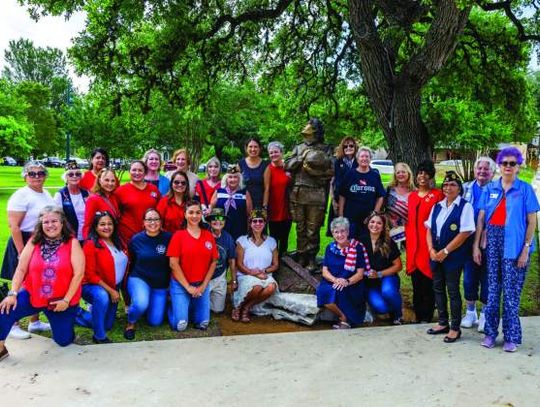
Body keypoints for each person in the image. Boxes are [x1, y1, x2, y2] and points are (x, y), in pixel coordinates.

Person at [474, 147, 539, 352]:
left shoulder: (525, 189)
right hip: (492, 242)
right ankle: (491, 333)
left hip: (516, 245)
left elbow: (531, 222)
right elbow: (481, 219)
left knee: (511, 294)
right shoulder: (490, 188)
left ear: (518, 166)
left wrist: (526, 249)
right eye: (504, 163)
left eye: (512, 163)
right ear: (499, 166)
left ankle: (511, 337)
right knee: (493, 292)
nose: (508, 166)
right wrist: (476, 245)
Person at [0, 206, 84, 360]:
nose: (50, 225)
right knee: (6, 309)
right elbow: (21, 269)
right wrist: (12, 293)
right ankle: (0, 349)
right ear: (40, 224)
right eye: (46, 222)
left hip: (60, 301)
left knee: (63, 341)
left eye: (54, 221)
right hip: (34, 296)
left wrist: (66, 300)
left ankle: (72, 316)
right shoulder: (33, 241)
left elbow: (78, 275)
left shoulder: (72, 243)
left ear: (62, 223)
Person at [1, 161, 55, 339]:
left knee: (37, 280)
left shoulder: (46, 193)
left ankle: (34, 322)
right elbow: (14, 226)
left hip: (40, 240)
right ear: (25, 176)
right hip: (23, 240)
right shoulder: (21, 195)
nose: (37, 177)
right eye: (32, 174)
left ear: (45, 175)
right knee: (21, 280)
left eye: (40, 173)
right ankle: (13, 323)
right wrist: (21, 251)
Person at [425, 171, 475, 343]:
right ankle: (442, 322)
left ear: (459, 188)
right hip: (436, 254)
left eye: (453, 185)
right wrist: (431, 249)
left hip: (453, 256)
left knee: (452, 291)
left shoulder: (465, 206)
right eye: (445, 185)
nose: (448, 188)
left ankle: (455, 328)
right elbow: (429, 230)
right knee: (438, 288)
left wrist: (445, 252)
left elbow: (465, 232)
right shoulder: (437, 206)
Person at [285, 118, 334, 271]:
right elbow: (288, 165)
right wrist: (301, 158)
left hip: (316, 193)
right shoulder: (299, 148)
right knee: (300, 227)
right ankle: (301, 255)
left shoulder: (326, 148)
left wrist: (314, 172)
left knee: (313, 228)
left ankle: (311, 257)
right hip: (299, 192)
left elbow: (331, 170)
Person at [77, 211, 128, 343]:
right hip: (92, 285)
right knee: (102, 296)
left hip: (112, 286)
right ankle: (99, 336)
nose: (106, 227)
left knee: (107, 324)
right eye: (102, 224)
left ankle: (78, 313)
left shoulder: (117, 241)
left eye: (109, 224)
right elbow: (90, 274)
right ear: (95, 227)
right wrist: (111, 291)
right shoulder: (91, 244)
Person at [167, 201, 218, 331]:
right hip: (181, 284)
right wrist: (188, 287)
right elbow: (173, 264)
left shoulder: (208, 235)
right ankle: (172, 307)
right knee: (181, 325)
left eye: (198, 212)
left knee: (203, 323)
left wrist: (203, 286)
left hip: (201, 284)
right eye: (191, 212)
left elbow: (213, 261)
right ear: (185, 214)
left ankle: (187, 306)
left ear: (201, 214)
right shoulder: (178, 236)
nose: (194, 215)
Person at [459, 157, 496, 332]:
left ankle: (485, 315)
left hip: (490, 242)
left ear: (493, 172)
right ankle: (470, 312)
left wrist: (486, 235)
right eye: (479, 168)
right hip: (467, 241)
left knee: (487, 278)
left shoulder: (498, 189)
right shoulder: (465, 188)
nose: (482, 171)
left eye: (486, 169)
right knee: (468, 279)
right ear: (474, 170)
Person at [124, 209, 172, 340]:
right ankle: (131, 322)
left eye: (156, 219)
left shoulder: (168, 238)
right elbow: (131, 262)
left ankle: (148, 305)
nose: (153, 222)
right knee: (141, 303)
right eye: (149, 219)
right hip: (140, 278)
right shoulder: (136, 240)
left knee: (154, 322)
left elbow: (173, 264)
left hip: (160, 284)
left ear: (161, 222)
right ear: (143, 222)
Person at [405, 160, 443, 323]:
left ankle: (427, 316)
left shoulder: (437, 195)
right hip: (413, 244)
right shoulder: (412, 196)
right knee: (416, 283)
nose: (422, 176)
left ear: (431, 177)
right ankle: (418, 314)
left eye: (426, 174)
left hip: (429, 244)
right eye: (420, 173)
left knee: (428, 282)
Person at [316, 217, 366, 329]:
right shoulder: (330, 248)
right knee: (325, 292)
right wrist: (336, 280)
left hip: (351, 282)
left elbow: (360, 273)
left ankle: (350, 320)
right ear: (333, 234)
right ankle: (343, 317)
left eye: (343, 231)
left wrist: (346, 282)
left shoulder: (356, 248)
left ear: (348, 232)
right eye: (336, 232)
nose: (340, 235)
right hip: (332, 281)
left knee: (340, 291)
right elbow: (325, 271)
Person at [232, 209, 279, 323]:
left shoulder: (271, 241)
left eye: (261, 221)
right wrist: (252, 273)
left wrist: (264, 271)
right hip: (246, 274)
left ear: (264, 223)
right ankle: (238, 307)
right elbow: (239, 264)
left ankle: (247, 307)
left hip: (264, 274)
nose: (258, 224)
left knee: (271, 287)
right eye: (255, 221)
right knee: (256, 287)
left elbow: (275, 265)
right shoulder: (242, 241)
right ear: (250, 223)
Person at [361, 212, 403, 325]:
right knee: (381, 308)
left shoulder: (388, 242)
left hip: (387, 277)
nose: (375, 225)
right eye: (372, 222)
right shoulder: (360, 242)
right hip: (370, 283)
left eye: (379, 223)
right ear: (368, 224)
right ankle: (393, 303)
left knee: (388, 292)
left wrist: (379, 274)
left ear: (383, 226)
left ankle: (398, 314)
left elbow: (399, 266)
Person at [338, 147, 386, 238]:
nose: (364, 159)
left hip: (368, 219)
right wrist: (341, 215)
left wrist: (375, 213)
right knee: (350, 244)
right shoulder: (350, 174)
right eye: (362, 156)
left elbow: (380, 196)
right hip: (351, 217)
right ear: (357, 158)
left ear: (370, 159)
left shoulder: (375, 175)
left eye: (367, 157)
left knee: (366, 244)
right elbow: (342, 195)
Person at [115, 160, 160, 243]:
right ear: (129, 172)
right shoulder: (120, 191)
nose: (137, 173)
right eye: (134, 170)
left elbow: (159, 210)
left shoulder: (153, 189)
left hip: (151, 234)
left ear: (145, 173)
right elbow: (115, 213)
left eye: (140, 170)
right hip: (128, 237)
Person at [262, 141, 292, 257]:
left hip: (287, 208)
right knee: (274, 238)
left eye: (276, 152)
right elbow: (266, 189)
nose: (273, 154)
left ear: (281, 153)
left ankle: (284, 262)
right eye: (271, 153)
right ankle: (274, 264)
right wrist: (265, 207)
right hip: (273, 208)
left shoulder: (288, 167)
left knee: (284, 238)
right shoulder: (268, 169)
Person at [210, 164, 253, 240]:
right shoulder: (219, 192)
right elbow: (211, 210)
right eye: (230, 177)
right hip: (221, 230)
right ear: (226, 179)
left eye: (235, 177)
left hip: (240, 230)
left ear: (239, 179)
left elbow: (249, 214)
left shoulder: (244, 193)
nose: (233, 180)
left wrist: (249, 230)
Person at [327, 136, 359, 236]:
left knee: (354, 228)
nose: (348, 148)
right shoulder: (337, 162)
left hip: (355, 199)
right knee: (339, 229)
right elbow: (331, 182)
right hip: (338, 199)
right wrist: (332, 200)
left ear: (355, 147)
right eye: (345, 146)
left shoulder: (359, 161)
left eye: (351, 145)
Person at [207, 208, 236, 313]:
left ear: (224, 221)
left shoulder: (228, 238)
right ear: (209, 221)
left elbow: (232, 260)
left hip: (219, 276)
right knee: (200, 307)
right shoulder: (203, 235)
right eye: (214, 218)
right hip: (204, 277)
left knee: (218, 310)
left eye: (221, 218)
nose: (217, 221)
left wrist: (233, 281)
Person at [54, 160, 89, 241]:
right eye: (70, 174)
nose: (74, 176)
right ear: (65, 177)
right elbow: (57, 218)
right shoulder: (60, 195)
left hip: (86, 237)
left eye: (77, 174)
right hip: (69, 238)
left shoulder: (86, 193)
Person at [83, 168, 120, 238]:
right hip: (99, 239)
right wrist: (89, 242)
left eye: (113, 181)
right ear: (100, 181)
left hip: (113, 237)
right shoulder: (93, 199)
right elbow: (87, 225)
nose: (110, 183)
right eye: (106, 180)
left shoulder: (114, 197)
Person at [385, 162, 415, 245]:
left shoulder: (415, 192)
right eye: (398, 172)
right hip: (390, 229)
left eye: (403, 172)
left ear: (408, 174)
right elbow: (382, 208)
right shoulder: (389, 189)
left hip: (408, 230)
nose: (401, 174)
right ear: (395, 175)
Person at [239, 138, 269, 209]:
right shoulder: (240, 164)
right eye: (250, 147)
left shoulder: (265, 165)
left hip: (259, 203)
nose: (253, 149)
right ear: (246, 148)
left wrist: (265, 206)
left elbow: (267, 188)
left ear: (260, 148)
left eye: (256, 147)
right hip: (243, 202)